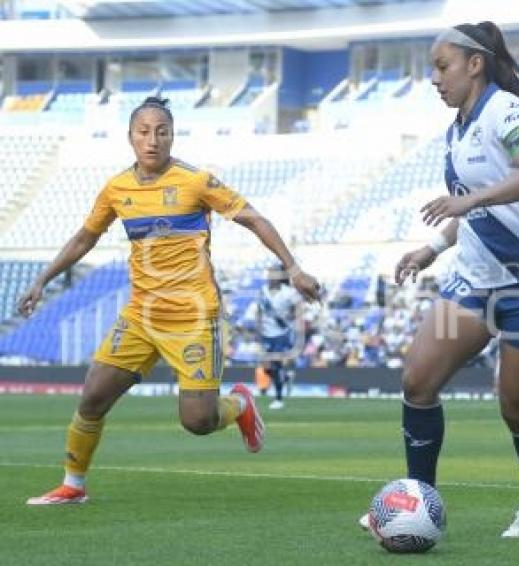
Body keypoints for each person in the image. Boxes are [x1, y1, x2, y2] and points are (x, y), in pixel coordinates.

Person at [19, 96, 321, 505]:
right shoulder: (116, 188)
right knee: (92, 399)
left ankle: (238, 405)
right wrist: (42, 279)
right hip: (141, 315)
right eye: (144, 132)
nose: (153, 140)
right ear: (130, 137)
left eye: (162, 132)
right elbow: (85, 237)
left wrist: (293, 267)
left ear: (172, 136)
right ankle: (74, 484)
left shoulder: (195, 181)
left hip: (195, 316)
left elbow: (253, 218)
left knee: (197, 422)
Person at [359, 21, 519, 538]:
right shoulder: (458, 127)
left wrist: (471, 199)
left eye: (442, 66)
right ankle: (415, 500)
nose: (435, 78)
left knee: (517, 408)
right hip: (476, 282)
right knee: (417, 381)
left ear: (474, 64)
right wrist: (432, 247)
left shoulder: (507, 110)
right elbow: (475, 211)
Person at [256, 264, 301, 409]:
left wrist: (291, 317)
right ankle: (285, 378)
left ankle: (278, 398)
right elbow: (259, 311)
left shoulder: (289, 292)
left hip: (282, 334)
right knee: (267, 368)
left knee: (276, 365)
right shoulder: (262, 292)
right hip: (266, 334)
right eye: (269, 274)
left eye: (274, 273)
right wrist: (258, 330)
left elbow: (298, 309)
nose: (271, 276)